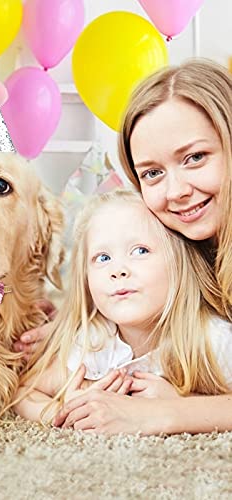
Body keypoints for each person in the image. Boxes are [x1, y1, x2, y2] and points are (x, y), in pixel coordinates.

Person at [58, 59, 232, 435]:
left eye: (195, 158)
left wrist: (166, 415)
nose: (176, 191)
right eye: (153, 173)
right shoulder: (184, 248)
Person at [12, 189, 232, 427]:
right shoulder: (92, 342)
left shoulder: (213, 340)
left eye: (140, 251)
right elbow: (23, 392)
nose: (118, 270)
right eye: (103, 258)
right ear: (86, 281)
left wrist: (182, 401)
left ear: (180, 263)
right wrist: (67, 409)